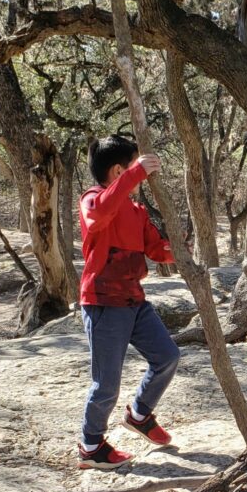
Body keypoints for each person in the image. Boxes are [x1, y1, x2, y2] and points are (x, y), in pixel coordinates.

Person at [76, 135, 181, 470]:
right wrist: (134, 176)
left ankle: (138, 415)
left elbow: (156, 249)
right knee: (106, 382)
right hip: (104, 302)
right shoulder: (92, 199)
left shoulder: (136, 211)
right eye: (133, 167)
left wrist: (178, 247)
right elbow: (97, 218)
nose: (141, 176)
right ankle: (91, 445)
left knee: (167, 357)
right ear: (120, 169)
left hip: (134, 301)